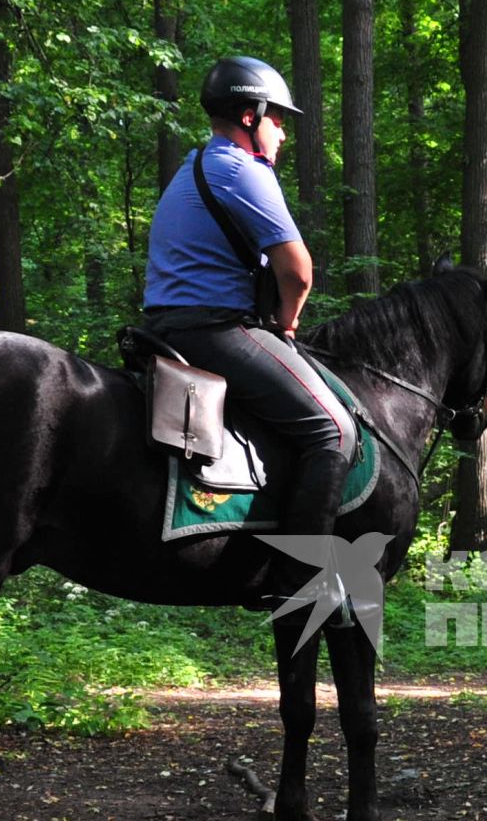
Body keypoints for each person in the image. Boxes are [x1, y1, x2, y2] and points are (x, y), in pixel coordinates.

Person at [143, 55, 357, 608]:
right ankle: (298, 583)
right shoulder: (243, 170)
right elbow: (298, 271)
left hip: (166, 325)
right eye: (278, 119)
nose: (282, 132)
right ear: (249, 115)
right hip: (213, 329)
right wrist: (287, 323)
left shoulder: (195, 165)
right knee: (333, 429)